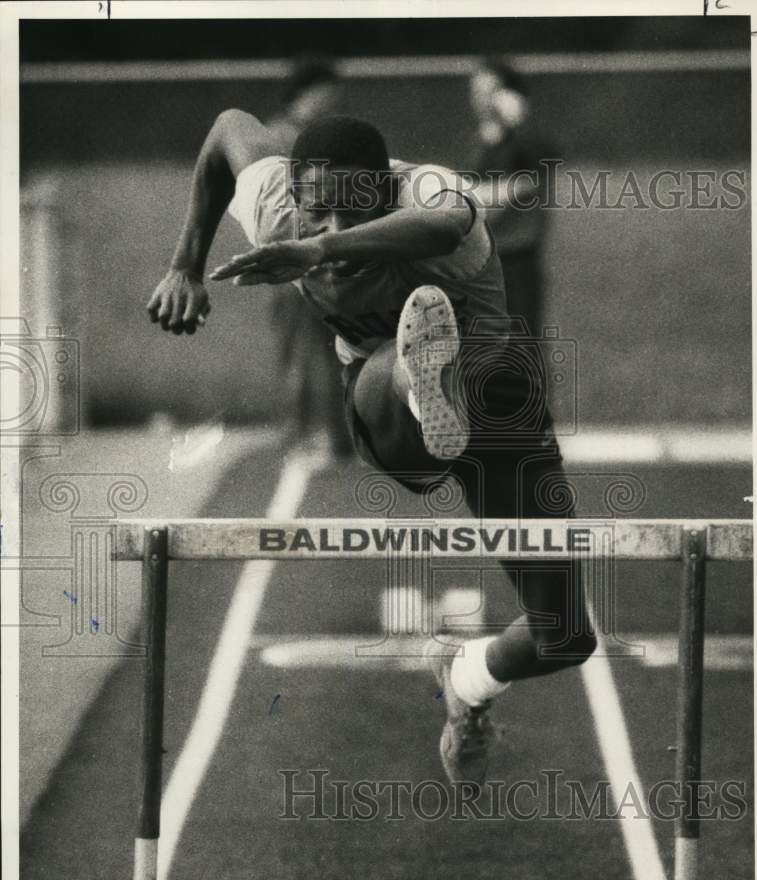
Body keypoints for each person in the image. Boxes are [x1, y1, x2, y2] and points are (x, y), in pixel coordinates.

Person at [147, 111, 596, 785]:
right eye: (316, 213)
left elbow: (444, 225)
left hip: (499, 406)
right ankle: (418, 379)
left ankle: (467, 678)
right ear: (293, 192)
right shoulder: (274, 199)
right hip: (381, 403)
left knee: (564, 636)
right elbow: (224, 131)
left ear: (385, 191)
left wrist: (319, 252)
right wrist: (184, 265)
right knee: (388, 360)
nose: (329, 228)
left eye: (348, 215)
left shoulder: (429, 193)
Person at [265, 58, 352, 453]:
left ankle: (341, 437)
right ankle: (296, 436)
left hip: (329, 259)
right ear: (308, 93)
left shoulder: (329, 136)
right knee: (297, 354)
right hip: (291, 260)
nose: (333, 102)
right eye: (327, 95)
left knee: (340, 350)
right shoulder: (276, 138)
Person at [469, 59, 557, 337]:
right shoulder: (477, 143)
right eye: (476, 92)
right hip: (480, 262)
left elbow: (544, 161)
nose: (481, 101)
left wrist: (517, 121)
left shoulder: (523, 143)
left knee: (522, 349)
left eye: (490, 91)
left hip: (517, 259)